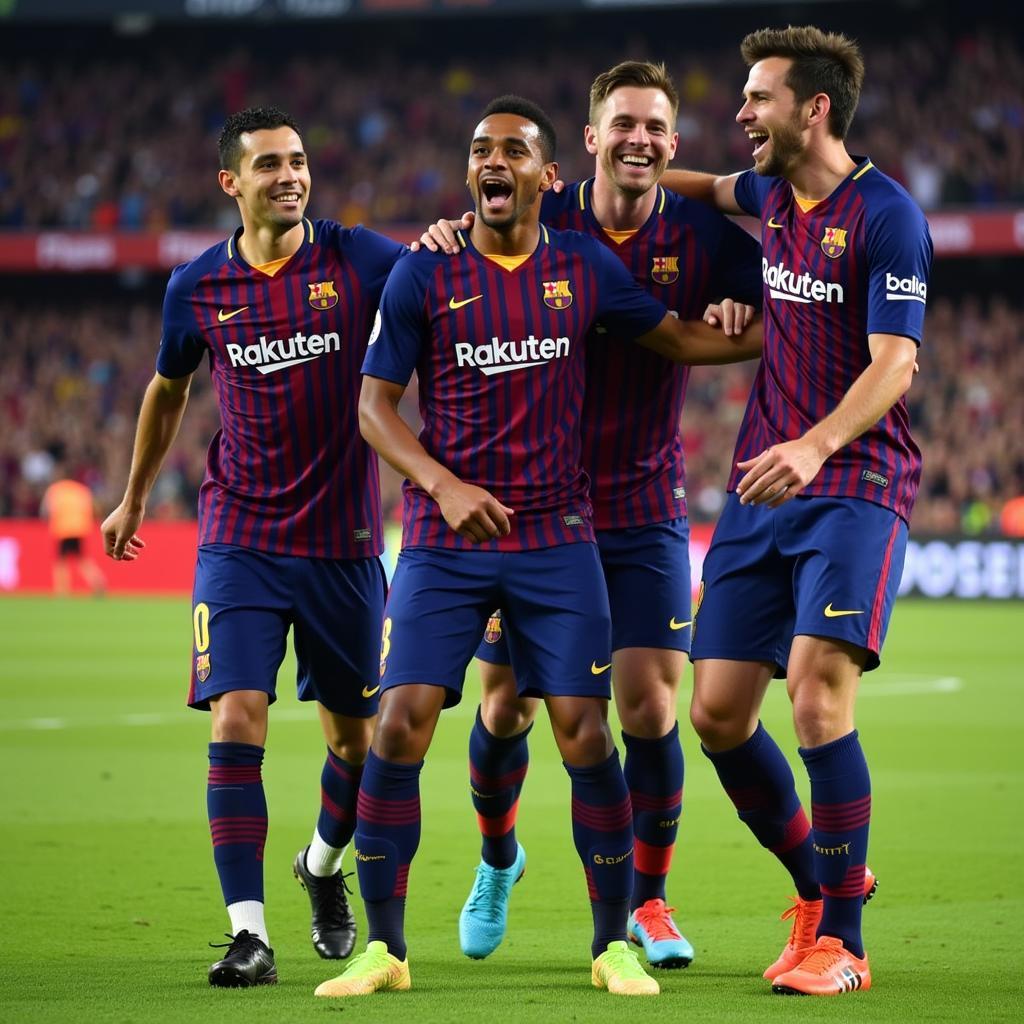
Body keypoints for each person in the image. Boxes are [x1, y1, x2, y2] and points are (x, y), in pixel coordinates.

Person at [313, 95, 761, 1000]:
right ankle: (386, 951)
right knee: (401, 722)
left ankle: (614, 945)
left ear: (546, 177)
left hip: (561, 536)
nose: (494, 160)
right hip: (445, 538)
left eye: (515, 149)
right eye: (481, 147)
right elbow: (372, 408)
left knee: (586, 727)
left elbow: (673, 339)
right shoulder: (421, 273)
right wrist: (441, 484)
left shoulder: (582, 266)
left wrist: (770, 333)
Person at [101, 106, 407, 987]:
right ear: (232, 182)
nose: (290, 175)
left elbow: (447, 281)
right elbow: (167, 392)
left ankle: (319, 868)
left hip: (344, 542)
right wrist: (130, 498)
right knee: (237, 715)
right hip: (238, 536)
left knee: (355, 743)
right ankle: (248, 935)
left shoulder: (359, 259)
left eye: (300, 161)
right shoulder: (196, 287)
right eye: (269, 163)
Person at [659, 26, 932, 995]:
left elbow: (895, 363)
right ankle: (817, 892)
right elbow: (698, 190)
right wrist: (616, 171)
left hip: (852, 485)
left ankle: (845, 944)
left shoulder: (888, 217)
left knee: (816, 697)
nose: (740, 111)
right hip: (760, 488)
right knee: (719, 714)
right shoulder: (770, 195)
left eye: (756, 97)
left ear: (811, 108)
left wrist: (817, 441)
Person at [41, 469, 106, 596]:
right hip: (79, 529)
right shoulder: (82, 490)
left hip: (63, 530)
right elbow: (94, 508)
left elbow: (46, 510)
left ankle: (62, 590)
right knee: (82, 559)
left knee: (61, 561)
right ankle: (98, 582)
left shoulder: (55, 490)